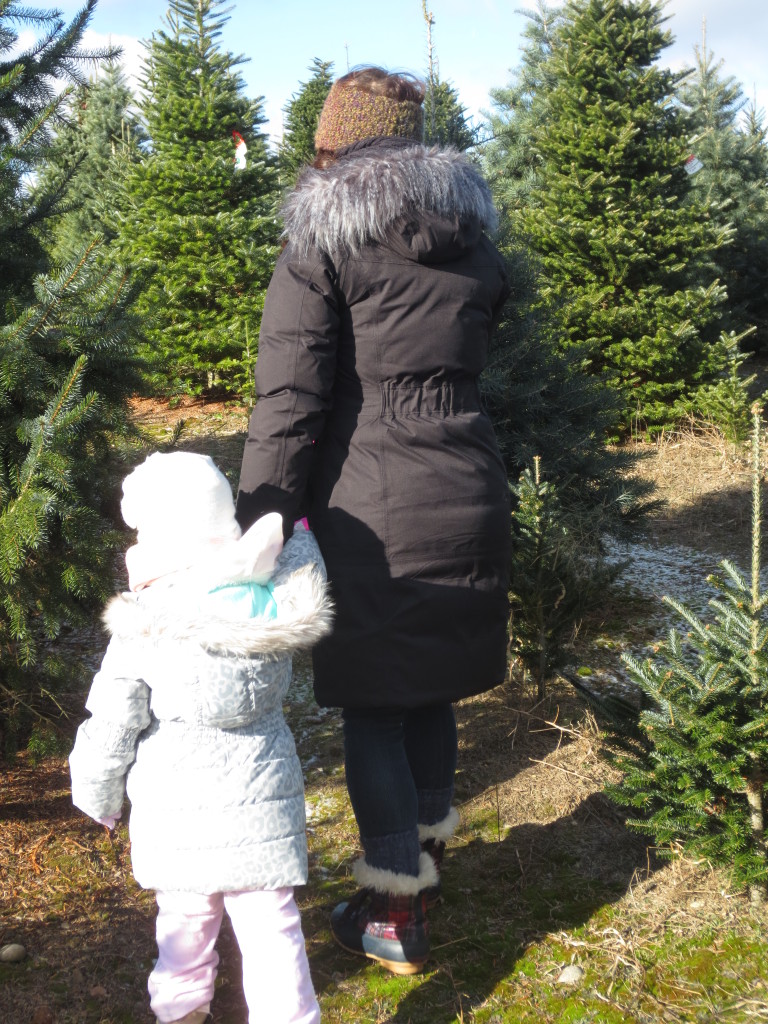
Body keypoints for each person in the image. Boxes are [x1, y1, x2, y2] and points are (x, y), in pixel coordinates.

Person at [236, 66, 511, 976]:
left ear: (333, 142)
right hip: (467, 481)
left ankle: (393, 908)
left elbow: (292, 390)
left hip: (371, 503)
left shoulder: (323, 235)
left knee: (374, 707)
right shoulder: (471, 237)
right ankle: (422, 872)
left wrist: (263, 512)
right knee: (426, 687)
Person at [69, 451, 332, 1024]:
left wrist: (97, 796)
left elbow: (112, 723)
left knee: (184, 929)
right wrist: (302, 533)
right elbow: (299, 564)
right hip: (264, 811)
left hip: (176, 814)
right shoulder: (272, 605)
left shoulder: (143, 626)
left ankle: (182, 1014)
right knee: (273, 929)